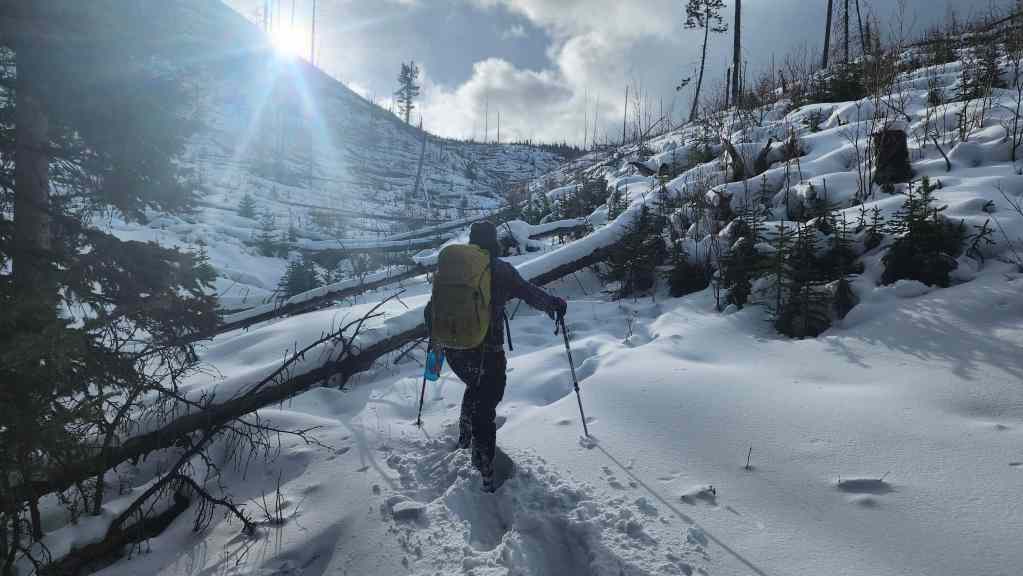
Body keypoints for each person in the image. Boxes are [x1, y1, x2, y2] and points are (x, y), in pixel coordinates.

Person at [425, 221, 566, 492]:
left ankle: (466, 437)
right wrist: (554, 305)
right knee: (486, 404)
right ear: (494, 242)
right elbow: (529, 293)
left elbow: (432, 308)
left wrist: (438, 340)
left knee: (474, 387)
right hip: (486, 351)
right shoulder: (500, 269)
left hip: (455, 350)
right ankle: (486, 469)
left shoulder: (454, 269)